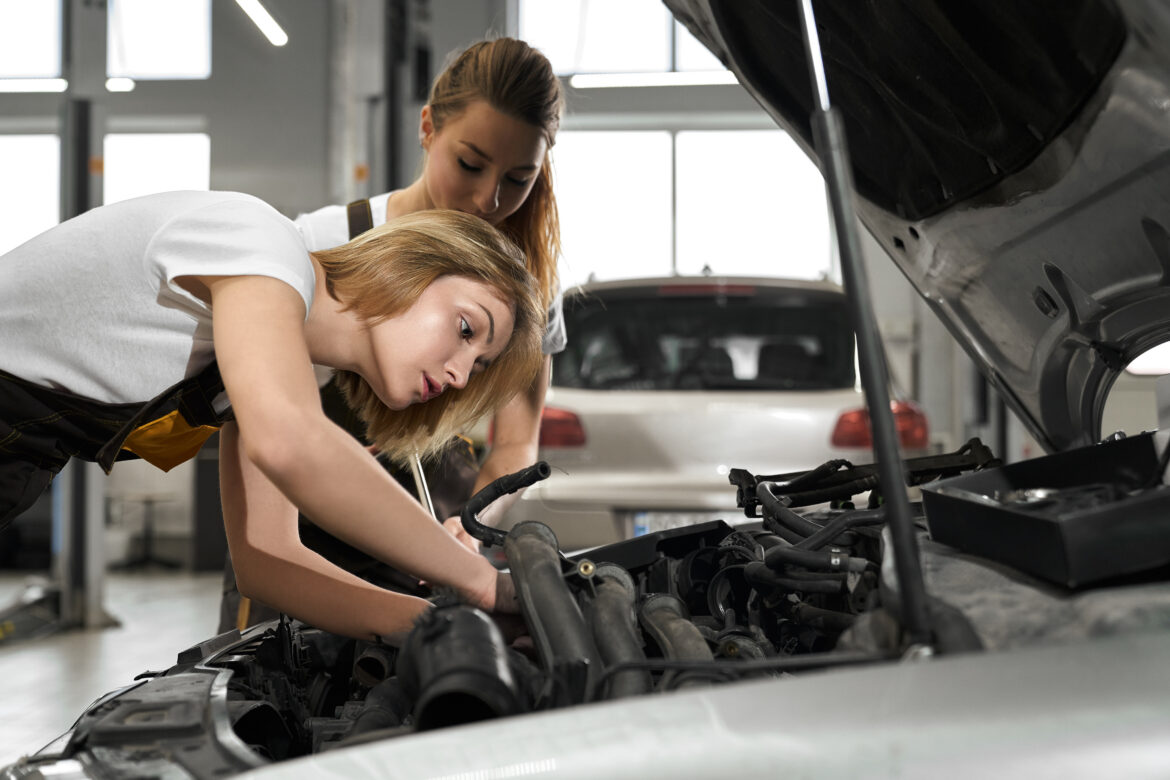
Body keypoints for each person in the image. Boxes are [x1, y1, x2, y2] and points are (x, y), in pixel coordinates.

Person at [0, 189, 543, 642]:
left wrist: (448, 627)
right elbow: (291, 443)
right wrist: (481, 582)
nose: (460, 375)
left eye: (478, 366)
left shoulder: (263, 364)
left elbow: (268, 561)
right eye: (467, 330)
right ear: (412, 263)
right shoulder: (256, 240)